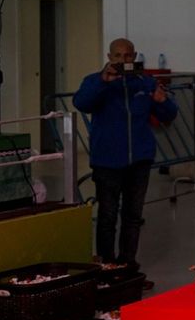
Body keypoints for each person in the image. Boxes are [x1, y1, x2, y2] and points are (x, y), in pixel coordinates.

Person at [73, 38, 177, 273]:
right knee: (107, 215)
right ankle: (106, 263)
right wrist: (103, 81)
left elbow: (168, 115)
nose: (122, 61)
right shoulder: (95, 81)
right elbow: (81, 102)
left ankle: (128, 262)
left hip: (139, 161)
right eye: (117, 56)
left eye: (127, 56)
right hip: (107, 161)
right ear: (109, 58)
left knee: (133, 215)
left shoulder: (145, 83)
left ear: (134, 57)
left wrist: (163, 101)